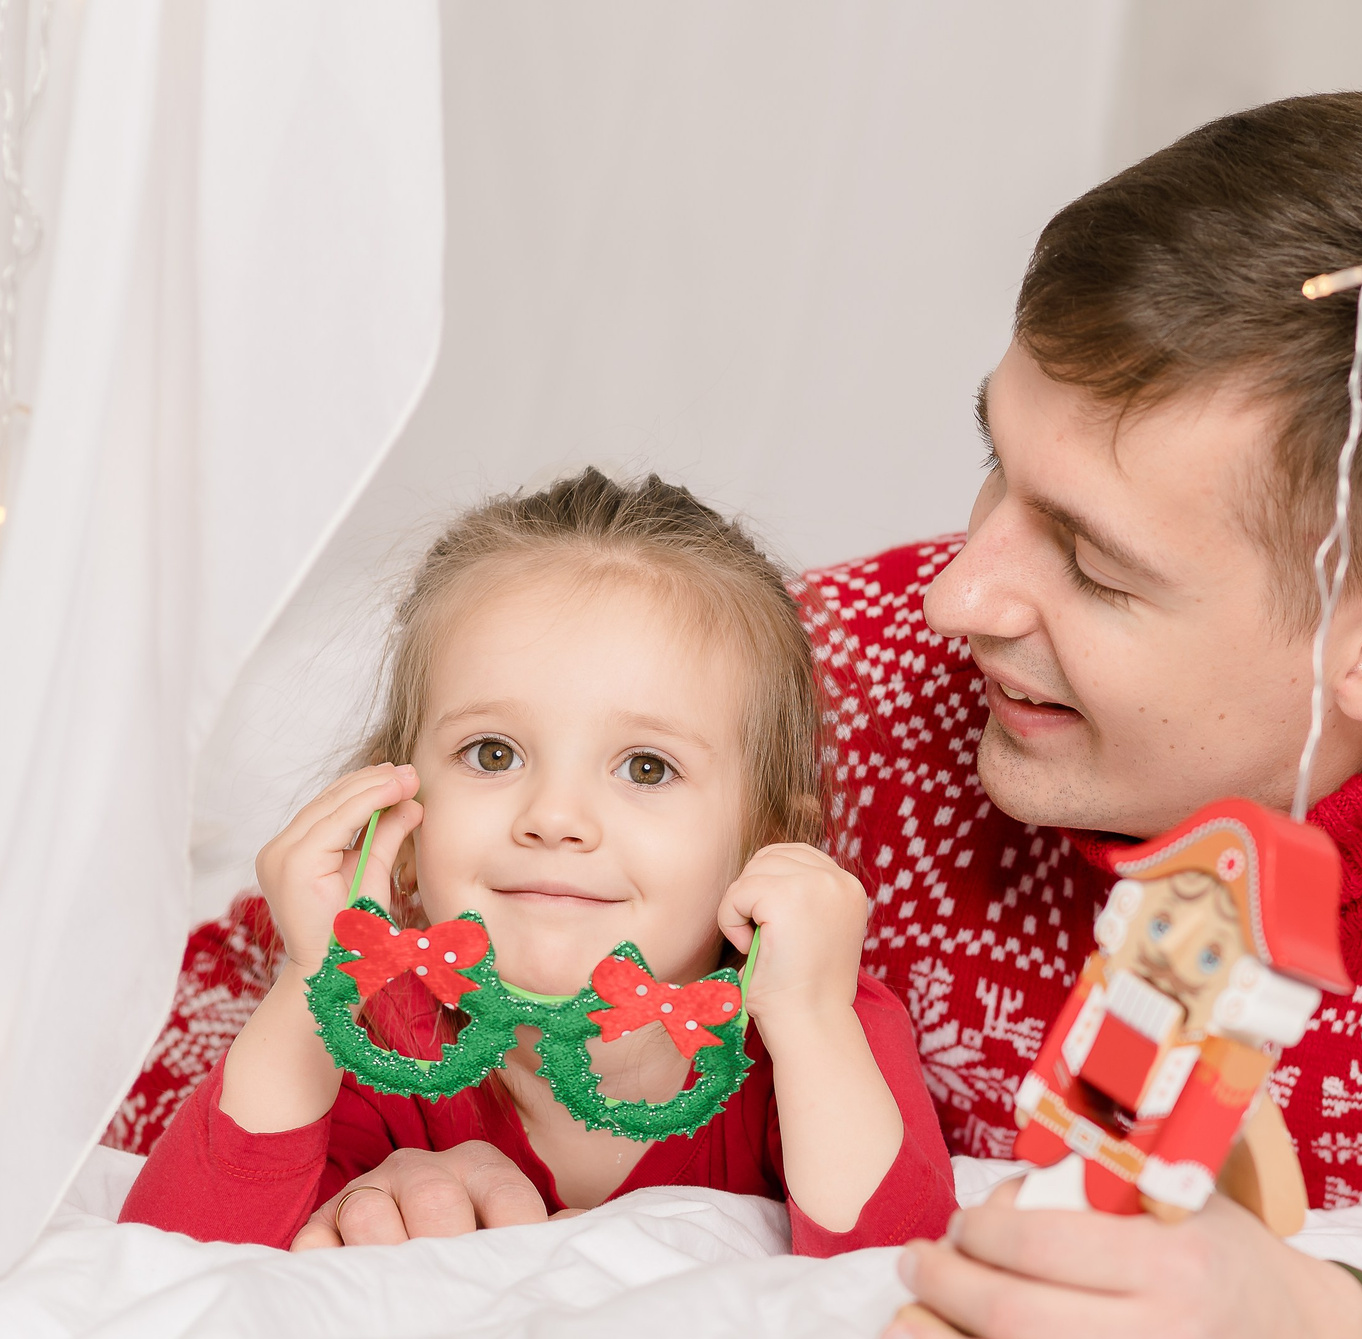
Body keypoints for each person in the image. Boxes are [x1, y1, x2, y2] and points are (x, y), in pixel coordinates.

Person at [116, 94, 1362, 1339]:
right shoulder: (848, 669)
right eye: (993, 467)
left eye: (1091, 561)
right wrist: (440, 1176)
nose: (959, 590)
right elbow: (243, 1026)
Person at [118, 470, 955, 1255]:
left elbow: (895, 1274)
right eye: (493, 753)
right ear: (395, 818)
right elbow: (167, 1262)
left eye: (647, 767)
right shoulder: (377, 1034)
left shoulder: (815, 1025)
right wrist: (312, 979)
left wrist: (810, 1019)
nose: (554, 818)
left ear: (770, 842)